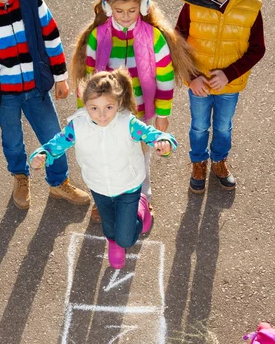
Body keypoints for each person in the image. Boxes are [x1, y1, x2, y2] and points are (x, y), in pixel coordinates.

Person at [29, 70, 178, 269]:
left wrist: (164, 142)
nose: (101, 115)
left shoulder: (128, 123)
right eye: (94, 108)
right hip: (99, 186)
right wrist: (42, 154)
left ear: (118, 102)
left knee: (126, 238)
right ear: (85, 104)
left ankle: (140, 211)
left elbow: (153, 134)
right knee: (109, 226)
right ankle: (113, 241)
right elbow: (56, 144)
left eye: (108, 107)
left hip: (128, 185)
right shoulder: (77, 126)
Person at [71, 0, 196, 222]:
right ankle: (104, 199)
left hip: (141, 112)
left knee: (140, 157)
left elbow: (165, 78)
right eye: (119, 11)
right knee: (104, 156)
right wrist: (83, 112)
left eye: (131, 10)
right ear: (108, 9)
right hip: (105, 114)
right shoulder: (97, 36)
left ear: (144, 7)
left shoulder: (154, 37)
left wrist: (163, 114)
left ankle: (143, 197)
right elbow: (86, 80)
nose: (125, 16)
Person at [0, 0, 91, 209]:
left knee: (53, 135)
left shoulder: (30, 1)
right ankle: (20, 176)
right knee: (12, 141)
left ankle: (59, 181)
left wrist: (60, 78)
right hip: (4, 94)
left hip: (36, 88)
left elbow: (51, 38)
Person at [175, 0, 266, 193]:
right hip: (198, 83)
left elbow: (257, 48)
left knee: (223, 126)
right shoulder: (192, 2)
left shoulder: (251, 6)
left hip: (229, 85)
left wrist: (229, 74)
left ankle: (219, 160)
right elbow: (177, 41)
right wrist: (191, 76)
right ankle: (199, 162)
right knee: (199, 126)